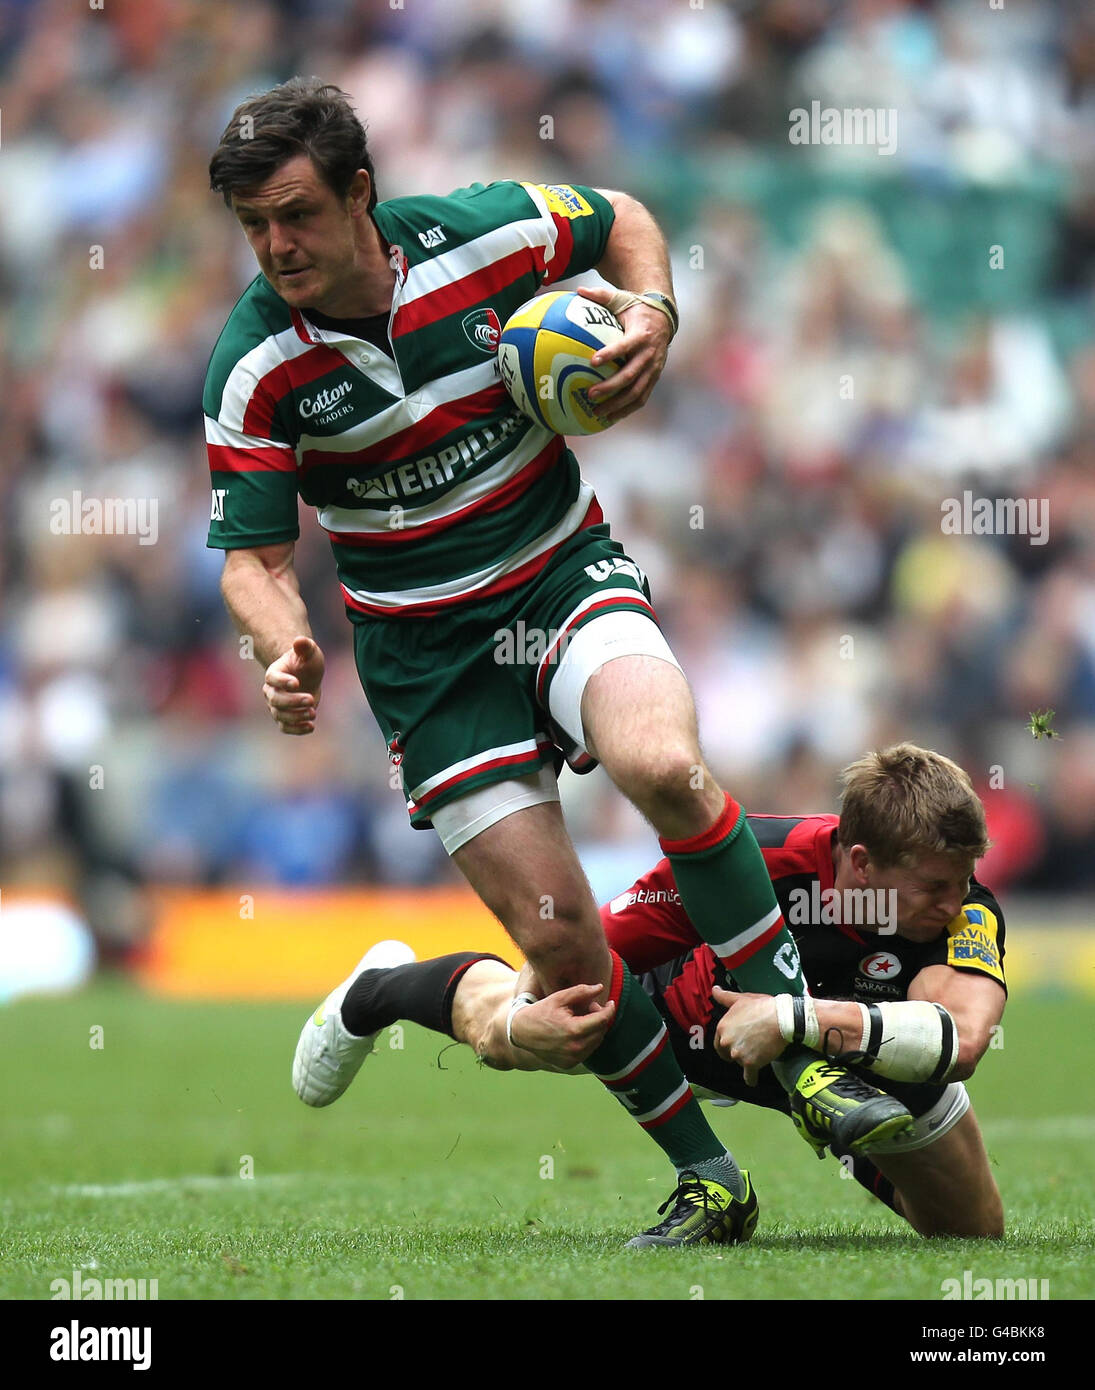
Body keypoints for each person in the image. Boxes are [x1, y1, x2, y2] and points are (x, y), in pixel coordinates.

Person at [205, 77, 908, 1248]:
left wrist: (654, 317)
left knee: (666, 765)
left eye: (296, 214)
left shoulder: (480, 236)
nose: (276, 246)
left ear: (362, 195)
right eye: (253, 227)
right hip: (426, 662)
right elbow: (252, 558)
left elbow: (624, 216)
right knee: (568, 963)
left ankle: (801, 1051)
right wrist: (281, 639)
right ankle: (711, 1180)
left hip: (558, 574)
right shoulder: (256, 361)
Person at [308, 746, 1006, 1241]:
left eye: (962, 879)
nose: (956, 900)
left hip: (854, 1059)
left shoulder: (965, 908)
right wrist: (525, 1019)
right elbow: (584, 948)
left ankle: (829, 1113)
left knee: (968, 1232)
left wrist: (790, 1018)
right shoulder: (751, 862)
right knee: (516, 1036)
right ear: (860, 863)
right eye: (935, 885)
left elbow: (963, 1039)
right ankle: (377, 990)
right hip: (694, 1022)